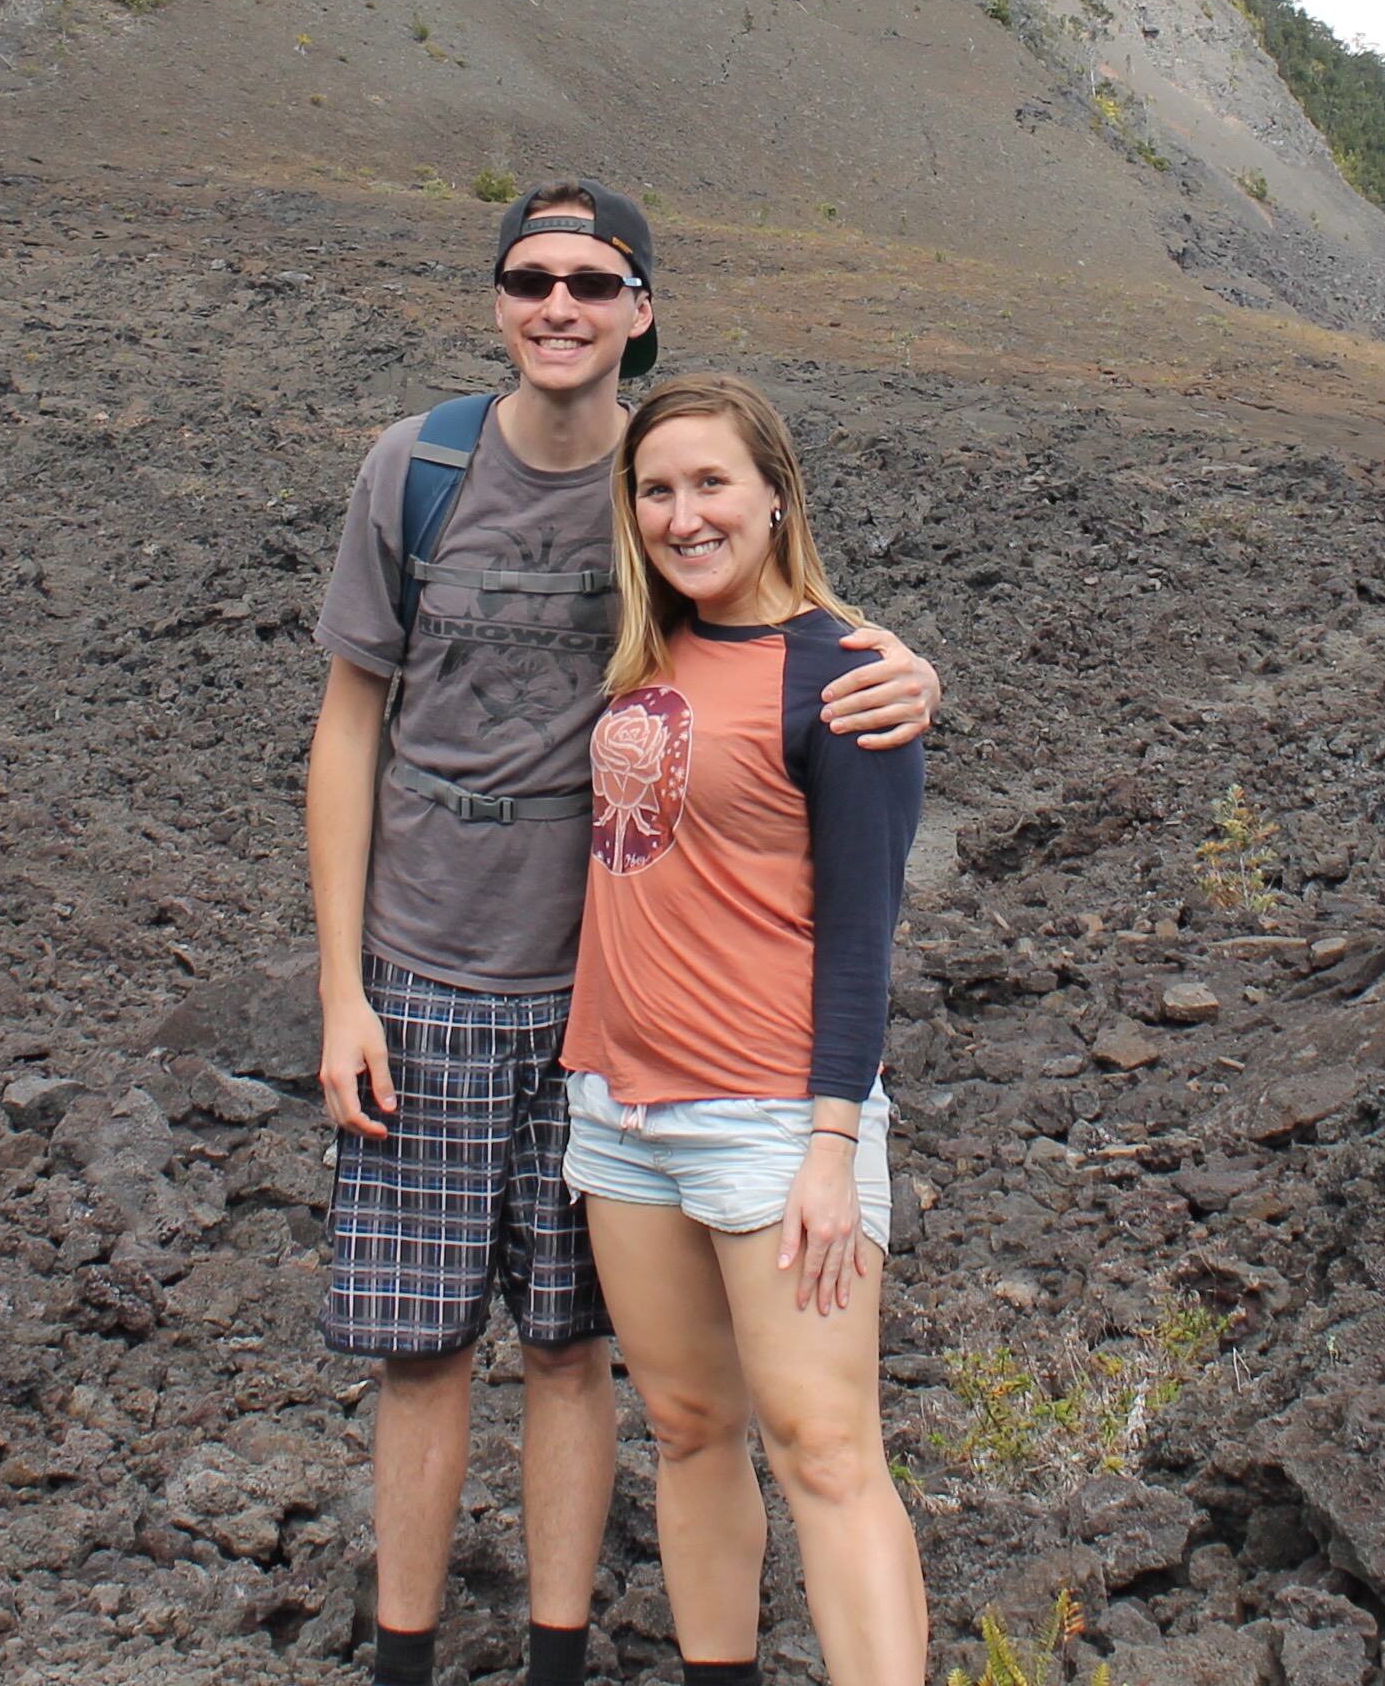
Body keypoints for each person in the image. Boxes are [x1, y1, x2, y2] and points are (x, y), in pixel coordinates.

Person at [305, 186, 940, 1686]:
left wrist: (910, 673)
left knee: (693, 1397)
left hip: (689, 1069)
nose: (560, 304)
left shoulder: (747, 588)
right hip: (521, 1036)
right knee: (542, 1381)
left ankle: (566, 1658)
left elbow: (846, 849)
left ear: (641, 308)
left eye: (594, 281)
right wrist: (342, 988)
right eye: (530, 276)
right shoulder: (446, 492)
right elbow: (351, 725)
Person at [564, 373, 929, 1686]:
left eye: (712, 483)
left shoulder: (846, 677)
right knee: (686, 1428)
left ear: (776, 495)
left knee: (825, 1452)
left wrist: (833, 1146)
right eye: (656, 491)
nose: (685, 516)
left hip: (773, 1121)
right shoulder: (641, 650)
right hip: (620, 1110)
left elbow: (864, 932)